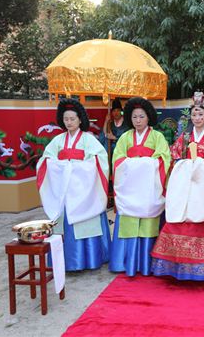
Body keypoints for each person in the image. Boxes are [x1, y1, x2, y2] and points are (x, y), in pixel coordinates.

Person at [150, 92, 204, 281]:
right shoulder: (184, 136)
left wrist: (202, 166)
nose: (197, 118)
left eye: (201, 115)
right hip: (187, 185)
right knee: (182, 217)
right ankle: (179, 265)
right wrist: (187, 165)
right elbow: (175, 155)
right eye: (194, 115)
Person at [37, 98, 111, 271]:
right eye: (66, 119)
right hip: (64, 190)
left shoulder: (89, 139)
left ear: (80, 120)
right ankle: (64, 260)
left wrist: (76, 169)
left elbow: (99, 160)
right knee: (62, 223)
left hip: (84, 191)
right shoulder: (57, 140)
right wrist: (60, 168)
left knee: (86, 221)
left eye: (72, 119)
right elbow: (45, 160)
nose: (69, 122)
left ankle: (90, 260)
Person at [109, 97, 171, 276]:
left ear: (148, 117)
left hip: (148, 189)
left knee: (148, 222)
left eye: (141, 117)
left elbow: (163, 159)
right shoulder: (125, 137)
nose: (138, 121)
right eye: (134, 117)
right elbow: (117, 159)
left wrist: (139, 165)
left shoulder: (157, 137)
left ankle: (146, 264)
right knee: (128, 221)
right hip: (129, 189)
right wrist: (139, 164)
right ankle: (124, 263)